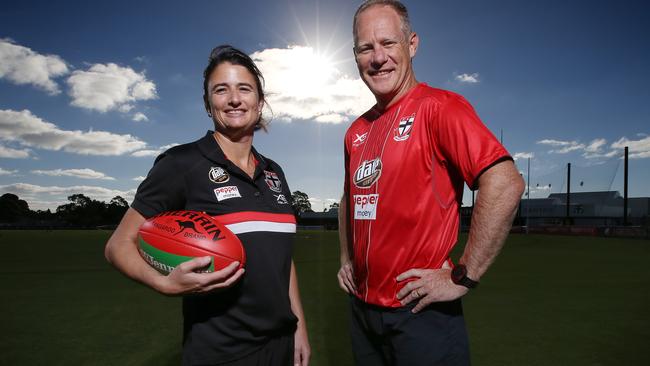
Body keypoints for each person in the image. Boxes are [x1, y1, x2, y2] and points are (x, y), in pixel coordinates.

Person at [337, 1, 525, 365]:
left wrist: (463, 276)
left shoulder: (440, 108)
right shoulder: (355, 132)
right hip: (362, 312)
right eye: (365, 48)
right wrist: (346, 257)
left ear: (412, 44)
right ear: (356, 56)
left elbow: (505, 183)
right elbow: (349, 197)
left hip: (419, 312)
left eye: (388, 43)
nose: (378, 58)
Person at [105, 45, 310, 366]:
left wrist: (299, 328)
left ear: (260, 101)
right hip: (220, 352)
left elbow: (283, 260)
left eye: (244, 88)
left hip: (281, 346)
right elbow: (118, 245)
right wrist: (164, 283)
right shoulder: (181, 163)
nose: (234, 99)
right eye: (221, 90)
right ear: (207, 103)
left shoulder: (273, 172)